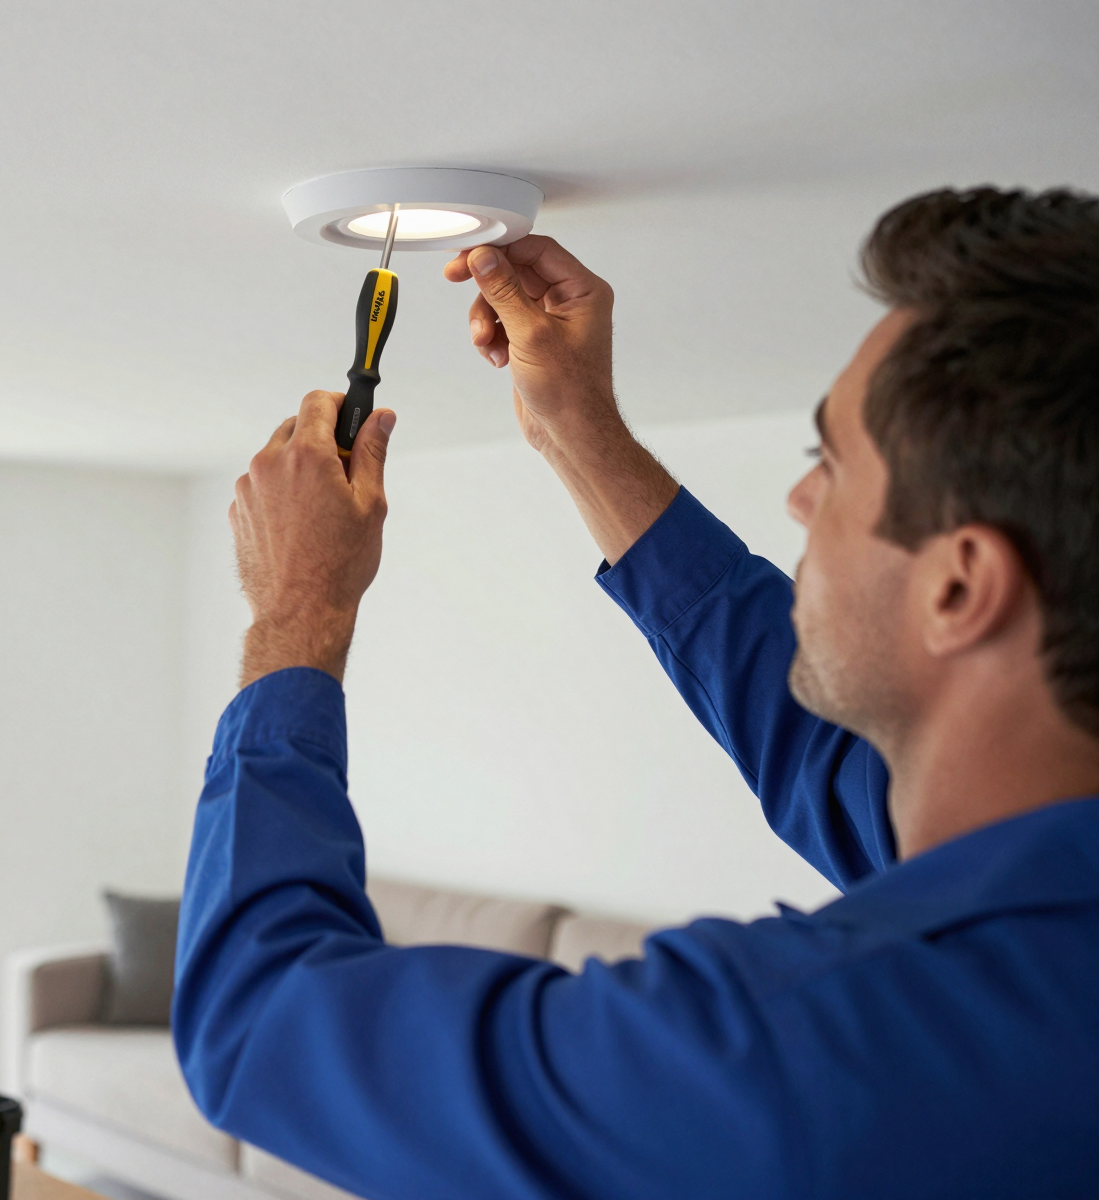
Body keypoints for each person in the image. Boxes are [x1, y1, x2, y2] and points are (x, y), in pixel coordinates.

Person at [172, 188, 1099, 1198]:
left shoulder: (810, 1050)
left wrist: (296, 615)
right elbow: (807, 745)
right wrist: (581, 431)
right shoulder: (1034, 911)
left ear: (958, 586)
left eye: (826, 462)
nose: (798, 498)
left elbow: (260, 1026)